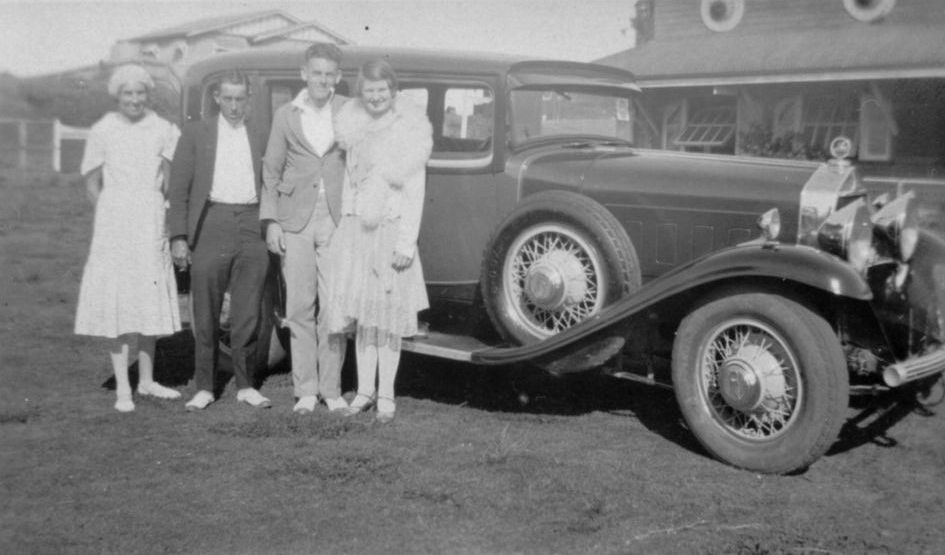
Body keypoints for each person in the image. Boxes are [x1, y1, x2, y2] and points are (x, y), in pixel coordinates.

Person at [326, 59, 433, 423]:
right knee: (364, 319)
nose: (375, 97)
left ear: (392, 91)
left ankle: (386, 392)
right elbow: (349, 186)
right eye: (369, 91)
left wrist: (406, 244)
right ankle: (364, 391)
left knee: (387, 319)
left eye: (381, 91)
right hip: (359, 234)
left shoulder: (409, 131)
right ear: (362, 93)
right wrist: (346, 229)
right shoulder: (354, 128)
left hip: (390, 232)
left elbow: (415, 191)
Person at [75, 64, 183, 412]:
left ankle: (148, 381)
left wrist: (158, 213)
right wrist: (109, 212)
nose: (134, 100)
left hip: (150, 219)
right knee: (119, 303)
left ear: (147, 95)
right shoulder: (103, 129)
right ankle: (124, 387)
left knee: (148, 298)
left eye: (140, 93)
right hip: (115, 224)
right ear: (118, 96)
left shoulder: (165, 129)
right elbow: (91, 181)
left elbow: (169, 179)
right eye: (127, 94)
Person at [168, 70, 272, 411]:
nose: (233, 106)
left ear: (249, 99)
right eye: (227, 98)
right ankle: (204, 386)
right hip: (211, 221)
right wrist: (179, 237)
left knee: (248, 309)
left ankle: (245, 385)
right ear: (216, 98)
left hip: (251, 222)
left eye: (239, 99)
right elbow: (179, 188)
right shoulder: (196, 132)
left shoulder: (260, 133)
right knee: (206, 309)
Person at [261, 43, 349, 415]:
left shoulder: (349, 111)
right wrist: (271, 222)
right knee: (299, 305)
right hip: (295, 218)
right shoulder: (286, 115)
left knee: (335, 307)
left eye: (330, 75)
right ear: (304, 74)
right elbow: (271, 170)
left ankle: (332, 390)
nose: (323, 81)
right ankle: (306, 391)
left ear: (338, 78)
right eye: (317, 73)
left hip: (337, 218)